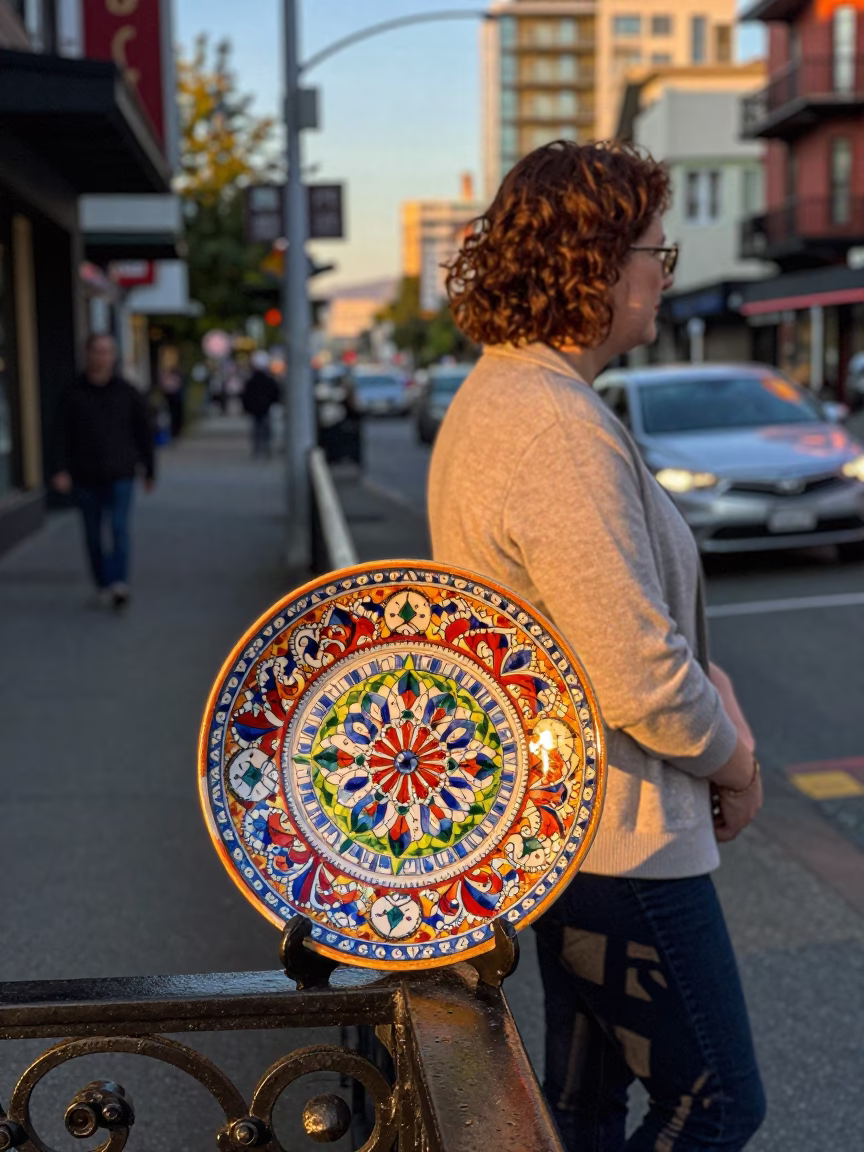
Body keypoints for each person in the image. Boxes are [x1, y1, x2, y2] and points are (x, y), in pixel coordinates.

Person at [428, 141, 766, 1151]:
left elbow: (606, 617)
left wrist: (710, 675)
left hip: (569, 827)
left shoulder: (511, 396)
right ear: (596, 265)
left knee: (581, 1109)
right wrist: (738, 762)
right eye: (657, 253)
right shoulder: (555, 429)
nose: (666, 275)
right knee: (715, 1102)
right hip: (622, 840)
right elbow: (637, 674)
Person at [52, 333, 154, 610]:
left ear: (114, 355)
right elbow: (60, 433)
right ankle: (102, 584)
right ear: (88, 354)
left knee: (119, 529)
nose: (102, 357)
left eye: (107, 351)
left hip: (121, 473)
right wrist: (60, 469)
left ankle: (120, 582)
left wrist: (149, 469)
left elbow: (143, 431)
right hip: (85, 475)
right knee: (93, 535)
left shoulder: (127, 392)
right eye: (97, 351)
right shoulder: (73, 392)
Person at [242, 352, 281, 458]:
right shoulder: (268, 380)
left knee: (257, 427)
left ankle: (257, 448)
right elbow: (275, 393)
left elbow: (245, 395)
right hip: (266, 407)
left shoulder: (251, 381)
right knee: (266, 427)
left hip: (256, 408)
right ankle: (266, 448)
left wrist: (246, 407)